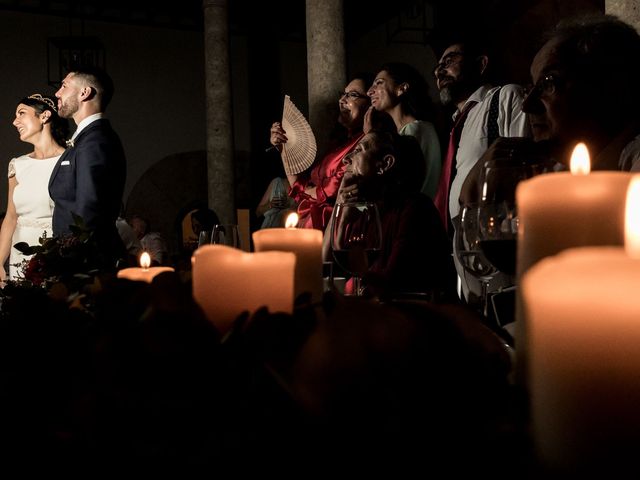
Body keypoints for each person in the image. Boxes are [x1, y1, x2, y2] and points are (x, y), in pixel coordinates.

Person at [432, 38, 531, 309]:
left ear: (481, 64)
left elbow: (522, 170)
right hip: (464, 248)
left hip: (500, 244)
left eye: (449, 60)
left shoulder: (504, 97)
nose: (439, 70)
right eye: (438, 65)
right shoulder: (457, 123)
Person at [327, 130, 457, 301]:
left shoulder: (415, 209)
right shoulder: (368, 214)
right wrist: (341, 212)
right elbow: (327, 267)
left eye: (359, 150)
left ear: (385, 164)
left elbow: (390, 283)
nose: (346, 158)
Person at [269, 73, 374, 231]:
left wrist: (310, 192)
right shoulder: (337, 144)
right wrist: (284, 147)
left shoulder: (367, 144)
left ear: (371, 104)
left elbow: (333, 189)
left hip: (338, 229)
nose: (341, 100)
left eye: (352, 95)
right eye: (343, 94)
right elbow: (300, 187)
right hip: (312, 225)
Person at [49, 65, 127, 270]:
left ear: (85, 93)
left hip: (84, 264)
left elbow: (88, 211)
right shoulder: (86, 139)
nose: (57, 93)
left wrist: (68, 261)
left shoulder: (95, 142)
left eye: (64, 86)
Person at [0, 94, 69, 281]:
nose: (15, 122)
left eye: (21, 113)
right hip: (19, 253)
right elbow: (11, 217)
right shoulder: (17, 164)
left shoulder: (70, 161)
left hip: (56, 252)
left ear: (44, 116)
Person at [366, 62, 442, 199]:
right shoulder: (410, 130)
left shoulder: (415, 130)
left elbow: (394, 184)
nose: (369, 91)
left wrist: (371, 139)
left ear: (401, 89)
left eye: (379, 83)